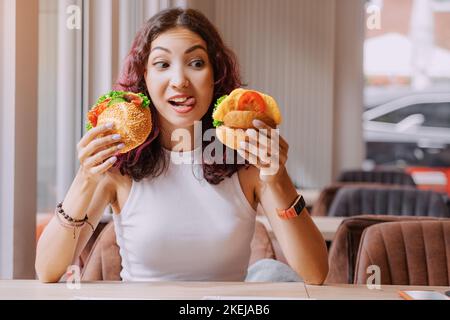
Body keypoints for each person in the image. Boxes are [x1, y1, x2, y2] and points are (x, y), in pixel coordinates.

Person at [35, 8, 328, 284]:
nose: (179, 81)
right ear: (144, 78)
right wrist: (85, 177)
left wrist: (278, 179)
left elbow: (315, 272)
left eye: (196, 63)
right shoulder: (119, 166)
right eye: (162, 64)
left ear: (216, 76)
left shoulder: (247, 162)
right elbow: (47, 270)